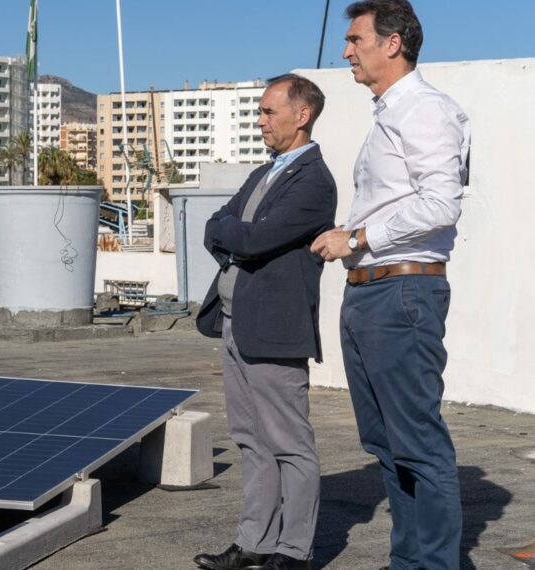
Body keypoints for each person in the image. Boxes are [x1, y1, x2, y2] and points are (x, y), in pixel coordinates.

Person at [310, 1, 470, 568]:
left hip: (402, 294)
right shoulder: (390, 114)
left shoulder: (423, 109)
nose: (346, 50)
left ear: (393, 43)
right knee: (385, 444)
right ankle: (411, 562)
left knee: (418, 446)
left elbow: (440, 204)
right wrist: (355, 239)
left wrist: (356, 238)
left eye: (355, 39)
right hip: (373, 293)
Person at [194, 74, 336, 570]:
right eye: (259, 112)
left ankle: (294, 551)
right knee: (250, 440)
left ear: (302, 115)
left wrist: (237, 234)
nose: (260, 121)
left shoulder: (314, 182)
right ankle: (255, 541)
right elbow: (216, 225)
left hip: (274, 330)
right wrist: (237, 233)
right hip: (235, 325)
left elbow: (251, 240)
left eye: (269, 112)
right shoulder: (264, 173)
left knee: (290, 444)